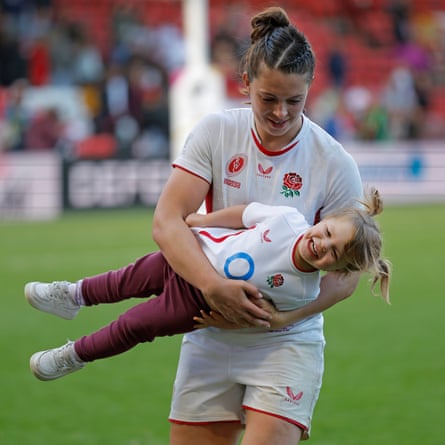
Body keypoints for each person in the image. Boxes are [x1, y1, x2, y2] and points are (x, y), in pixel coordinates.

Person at [28, 6, 364, 443]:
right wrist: (213, 287)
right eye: (268, 99)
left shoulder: (335, 162)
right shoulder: (216, 131)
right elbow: (168, 222)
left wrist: (286, 319)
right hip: (206, 320)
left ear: (310, 90)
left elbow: (349, 272)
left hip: (284, 341)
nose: (281, 113)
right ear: (245, 83)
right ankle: (74, 304)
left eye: (293, 100)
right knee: (133, 291)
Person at [26, 188, 390, 383]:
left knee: (135, 325)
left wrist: (223, 321)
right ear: (324, 221)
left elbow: (261, 316)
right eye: (327, 233)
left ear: (340, 268)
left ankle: (75, 355)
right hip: (191, 254)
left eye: (333, 253)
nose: (322, 245)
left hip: (196, 303)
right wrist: (204, 219)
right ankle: (71, 295)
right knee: (124, 279)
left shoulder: (302, 291)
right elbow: (244, 214)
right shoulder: (288, 219)